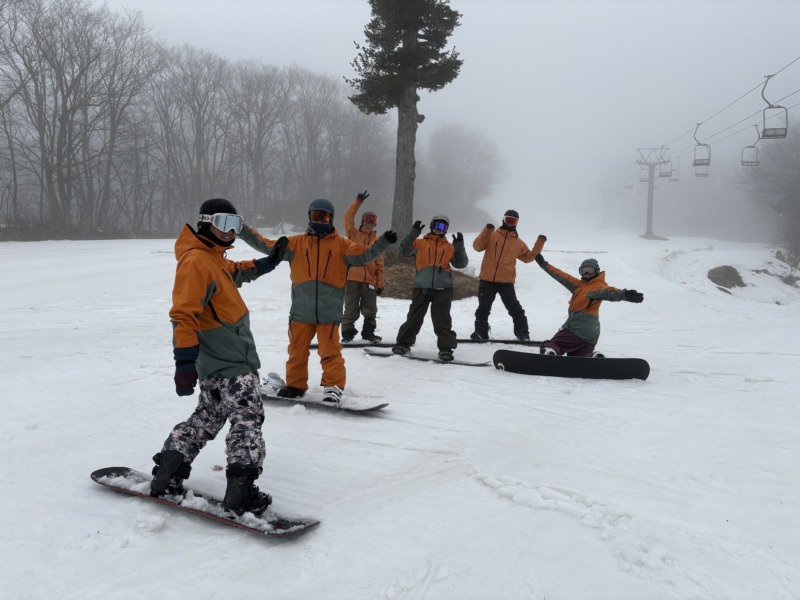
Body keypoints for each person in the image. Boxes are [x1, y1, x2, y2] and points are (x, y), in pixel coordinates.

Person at [150, 198, 287, 517]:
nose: (230, 232)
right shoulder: (197, 261)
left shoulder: (211, 257)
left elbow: (233, 272)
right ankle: (241, 493)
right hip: (231, 360)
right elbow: (183, 315)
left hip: (217, 361)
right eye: (223, 223)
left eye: (235, 225)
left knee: (207, 416)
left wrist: (267, 263)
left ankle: (167, 473)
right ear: (205, 222)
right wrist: (184, 363)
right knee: (247, 418)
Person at [238, 197, 397, 403]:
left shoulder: (342, 245)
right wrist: (241, 229)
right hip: (300, 312)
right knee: (297, 351)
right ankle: (295, 385)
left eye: (325, 217)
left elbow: (364, 255)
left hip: (328, 313)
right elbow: (266, 245)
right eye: (316, 216)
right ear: (309, 216)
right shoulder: (295, 243)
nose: (320, 221)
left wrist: (382, 243)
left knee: (330, 352)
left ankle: (333, 386)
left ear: (331, 219)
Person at [392, 214, 468, 362]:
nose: (439, 229)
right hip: (422, 286)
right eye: (436, 225)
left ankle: (446, 349)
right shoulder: (420, 243)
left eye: (443, 227)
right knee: (414, 317)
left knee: (442, 319)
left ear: (446, 230)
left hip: (443, 288)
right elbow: (403, 249)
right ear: (431, 226)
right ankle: (403, 343)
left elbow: (461, 264)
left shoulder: (449, 247)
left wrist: (459, 246)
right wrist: (413, 233)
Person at [534, 254, 644, 357]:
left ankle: (550, 352)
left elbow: (608, 292)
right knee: (578, 357)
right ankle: (592, 357)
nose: (586, 273)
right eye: (583, 271)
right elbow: (561, 276)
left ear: (596, 270)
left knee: (554, 344)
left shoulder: (597, 286)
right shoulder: (579, 285)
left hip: (577, 329)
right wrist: (544, 264)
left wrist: (624, 294)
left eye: (589, 270)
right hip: (591, 335)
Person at [471, 209, 547, 341]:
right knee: (483, 308)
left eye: (513, 221)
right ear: (503, 219)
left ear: (517, 223)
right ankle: (480, 333)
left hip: (506, 282)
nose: (510, 223)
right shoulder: (492, 235)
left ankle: (523, 333)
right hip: (487, 280)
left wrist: (539, 243)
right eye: (508, 220)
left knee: (515, 309)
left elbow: (528, 258)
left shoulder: (518, 243)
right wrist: (487, 231)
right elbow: (477, 247)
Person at [341, 190, 384, 343]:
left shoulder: (377, 242)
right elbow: (347, 218)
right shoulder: (353, 234)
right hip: (352, 279)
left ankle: (368, 333)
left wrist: (380, 283)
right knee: (351, 309)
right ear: (362, 221)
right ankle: (347, 334)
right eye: (368, 219)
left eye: (373, 220)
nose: (370, 222)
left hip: (370, 282)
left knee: (370, 310)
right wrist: (358, 202)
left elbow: (380, 265)